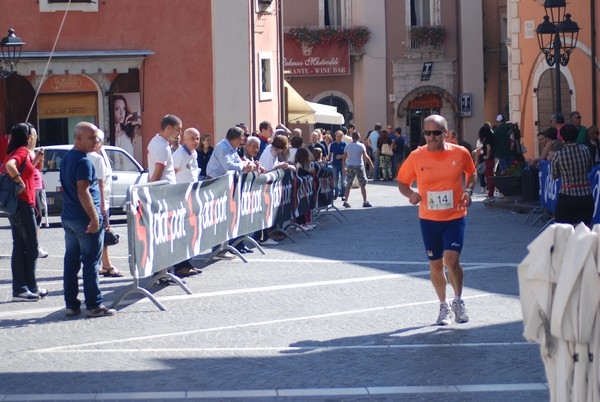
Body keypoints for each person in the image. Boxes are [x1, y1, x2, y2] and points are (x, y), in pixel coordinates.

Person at [397, 114, 477, 326]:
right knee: (435, 265)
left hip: (455, 215)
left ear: (446, 133)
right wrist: (411, 194)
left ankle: (458, 301)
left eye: (436, 133)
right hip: (429, 219)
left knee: (452, 261)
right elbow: (402, 181)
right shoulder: (416, 156)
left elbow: (472, 173)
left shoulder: (460, 153)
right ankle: (443, 305)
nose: (431, 137)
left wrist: (468, 190)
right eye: (427, 133)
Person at [60, 122, 115, 317]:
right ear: (78, 138)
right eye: (91, 137)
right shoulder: (84, 161)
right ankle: (94, 305)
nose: (95, 141)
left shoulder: (66, 158)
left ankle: (71, 304)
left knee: (71, 261)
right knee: (91, 263)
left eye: (96, 137)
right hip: (83, 218)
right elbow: (83, 192)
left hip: (69, 217)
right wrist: (94, 217)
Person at [148, 114, 199, 277]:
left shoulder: (156, 142)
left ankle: (166, 270)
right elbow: (157, 175)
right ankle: (167, 269)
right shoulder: (163, 147)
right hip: (165, 196)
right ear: (168, 128)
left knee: (170, 233)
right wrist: (154, 193)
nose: (179, 133)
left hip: (164, 195)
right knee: (171, 233)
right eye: (178, 129)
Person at [3, 123, 48, 302]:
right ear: (27, 136)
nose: (33, 137)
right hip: (23, 205)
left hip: (19, 205)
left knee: (21, 246)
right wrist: (19, 182)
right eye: (31, 134)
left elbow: (28, 170)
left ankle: (23, 288)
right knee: (30, 247)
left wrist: (36, 160)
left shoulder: (15, 150)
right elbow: (10, 165)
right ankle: (27, 287)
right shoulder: (21, 151)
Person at [207, 126, 259, 254]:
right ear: (235, 138)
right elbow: (228, 166)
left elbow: (237, 162)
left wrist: (246, 165)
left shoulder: (233, 148)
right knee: (221, 216)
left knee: (234, 215)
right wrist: (244, 165)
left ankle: (236, 243)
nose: (243, 141)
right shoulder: (222, 148)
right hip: (217, 185)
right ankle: (218, 248)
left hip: (229, 184)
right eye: (241, 138)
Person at [87, 130, 124, 278]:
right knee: (99, 235)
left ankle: (104, 264)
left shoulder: (98, 155)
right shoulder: (95, 158)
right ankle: (103, 265)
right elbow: (100, 183)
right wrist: (103, 206)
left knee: (99, 235)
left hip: (100, 201)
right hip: (99, 202)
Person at [552, 123, 594, 226]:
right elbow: (590, 168)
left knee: (562, 230)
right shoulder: (585, 150)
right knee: (585, 230)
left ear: (562, 137)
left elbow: (554, 175)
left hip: (567, 196)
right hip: (586, 195)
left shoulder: (559, 153)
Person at [342, 131, 374, 208]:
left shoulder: (347, 146)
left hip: (350, 165)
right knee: (362, 184)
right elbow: (366, 156)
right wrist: (371, 165)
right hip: (359, 165)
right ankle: (365, 201)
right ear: (359, 138)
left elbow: (344, 157)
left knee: (348, 184)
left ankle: (346, 200)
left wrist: (344, 167)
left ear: (352, 138)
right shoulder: (361, 145)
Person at [479, 125, 497, 202]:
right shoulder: (492, 138)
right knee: (490, 177)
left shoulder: (487, 140)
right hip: (493, 159)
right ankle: (491, 194)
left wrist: (487, 157)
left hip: (489, 160)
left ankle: (490, 195)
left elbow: (488, 149)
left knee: (488, 177)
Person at [328, 130, 346, 200]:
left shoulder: (344, 144)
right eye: (337, 136)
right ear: (335, 137)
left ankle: (343, 194)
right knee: (335, 181)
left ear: (342, 137)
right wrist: (328, 160)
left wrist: (341, 156)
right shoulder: (332, 144)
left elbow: (348, 155)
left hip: (343, 164)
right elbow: (330, 153)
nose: (338, 138)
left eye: (340, 137)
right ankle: (336, 193)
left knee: (343, 181)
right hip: (335, 164)